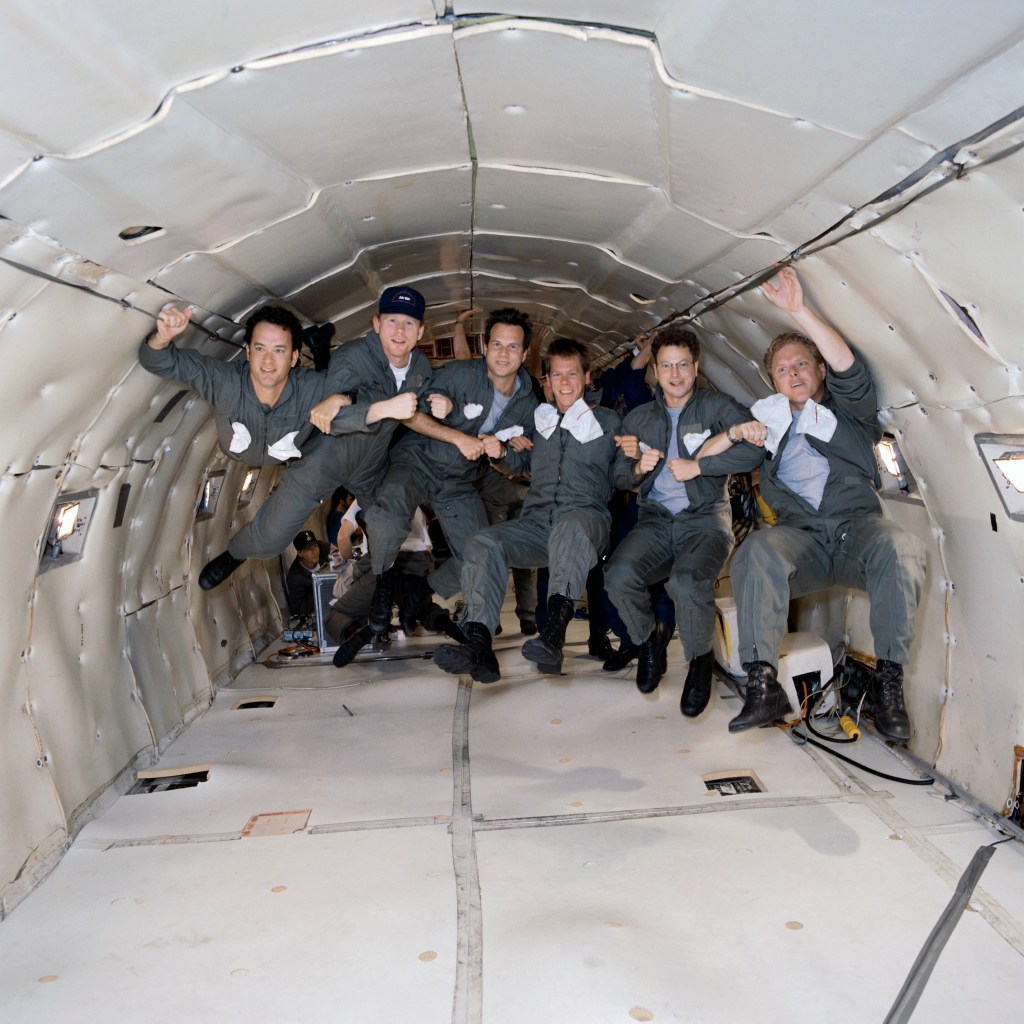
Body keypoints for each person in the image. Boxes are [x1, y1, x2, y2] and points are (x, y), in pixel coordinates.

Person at [728, 267, 927, 741]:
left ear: (819, 372)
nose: (793, 373)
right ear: (773, 382)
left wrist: (798, 311)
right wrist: (736, 434)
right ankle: (762, 683)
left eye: (802, 364)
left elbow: (849, 369)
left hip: (856, 531)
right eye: (782, 369)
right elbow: (714, 455)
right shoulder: (771, 428)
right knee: (756, 551)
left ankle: (889, 685)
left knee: (901, 547)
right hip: (803, 541)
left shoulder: (849, 414)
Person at [197, 285, 432, 590]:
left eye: (409, 323)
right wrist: (377, 406)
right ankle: (236, 553)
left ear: (421, 331)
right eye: (392, 321)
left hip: (370, 463)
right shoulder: (356, 355)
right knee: (274, 535)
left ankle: (385, 586)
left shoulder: (421, 368)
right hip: (327, 455)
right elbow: (334, 408)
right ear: (376, 324)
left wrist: (444, 404)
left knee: (389, 521)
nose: (400, 331)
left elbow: (427, 401)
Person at [432, 337, 635, 683]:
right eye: (558, 375)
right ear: (548, 381)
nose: (565, 382)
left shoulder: (609, 423)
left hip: (585, 520)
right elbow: (525, 465)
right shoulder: (540, 421)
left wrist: (637, 461)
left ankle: (554, 633)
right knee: (483, 542)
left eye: (572, 374)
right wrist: (501, 454)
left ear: (587, 377)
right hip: (538, 523)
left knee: (571, 527)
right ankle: (479, 640)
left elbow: (623, 477)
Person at [605, 325, 766, 715]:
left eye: (682, 365)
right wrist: (638, 470)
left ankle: (699, 662)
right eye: (665, 366)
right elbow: (618, 475)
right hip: (656, 520)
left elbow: (754, 453)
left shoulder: (718, 407)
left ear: (695, 367)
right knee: (618, 576)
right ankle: (650, 639)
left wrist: (699, 466)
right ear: (654, 371)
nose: (674, 375)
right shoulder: (639, 419)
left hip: (706, 520)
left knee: (686, 582)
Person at [364, 307, 539, 637]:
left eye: (513, 346)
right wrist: (455, 430)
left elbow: (527, 465)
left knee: (481, 553)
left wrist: (502, 454)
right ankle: (384, 589)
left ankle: (420, 591)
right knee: (386, 516)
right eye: (497, 345)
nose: (504, 354)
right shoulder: (459, 373)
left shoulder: (529, 405)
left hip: (458, 481)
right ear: (484, 347)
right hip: (417, 461)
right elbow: (410, 414)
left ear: (525, 353)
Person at [139, 304, 338, 465]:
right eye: (260, 349)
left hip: (303, 445)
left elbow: (358, 399)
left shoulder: (311, 387)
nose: (268, 361)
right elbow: (158, 361)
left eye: (278, 350)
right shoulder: (225, 382)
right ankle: (319, 344)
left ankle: (320, 347)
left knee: (328, 404)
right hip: (245, 455)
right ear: (248, 352)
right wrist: (161, 338)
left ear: (294, 357)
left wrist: (342, 398)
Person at [285, 530, 331, 622]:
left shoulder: (321, 547)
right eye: (309, 549)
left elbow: (338, 552)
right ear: (300, 553)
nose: (315, 552)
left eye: (315, 546)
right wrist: (318, 587)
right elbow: (298, 611)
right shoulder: (295, 578)